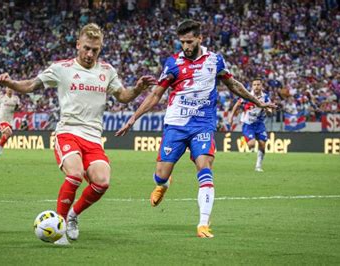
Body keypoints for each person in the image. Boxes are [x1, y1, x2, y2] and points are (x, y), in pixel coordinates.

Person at [0, 23, 156, 245]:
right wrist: (10, 82)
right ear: (78, 45)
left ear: (100, 49)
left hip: (93, 137)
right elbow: (31, 85)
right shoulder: (62, 68)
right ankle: (59, 227)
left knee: (102, 181)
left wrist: (137, 89)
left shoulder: (107, 71)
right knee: (75, 173)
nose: (90, 54)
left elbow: (123, 96)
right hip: (68, 133)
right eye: (87, 48)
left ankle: (72, 215)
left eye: (95, 50)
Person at [115, 20, 275, 238]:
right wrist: (133, 118)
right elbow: (155, 95)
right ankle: (164, 184)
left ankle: (203, 224)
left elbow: (233, 84)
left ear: (200, 38)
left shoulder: (215, 60)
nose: (186, 46)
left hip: (203, 125)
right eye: (182, 42)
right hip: (176, 125)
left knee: (205, 166)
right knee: (160, 175)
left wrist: (258, 101)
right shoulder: (172, 63)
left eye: (189, 41)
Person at [228, 78, 272, 172]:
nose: (256, 86)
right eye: (254, 85)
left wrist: (268, 110)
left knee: (263, 145)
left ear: (261, 86)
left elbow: (270, 112)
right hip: (248, 123)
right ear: (252, 86)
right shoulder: (247, 95)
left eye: (258, 84)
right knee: (251, 144)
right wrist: (231, 116)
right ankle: (248, 139)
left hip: (259, 124)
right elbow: (237, 105)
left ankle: (258, 166)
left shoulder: (265, 97)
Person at [0, 87, 20, 160]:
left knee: (6, 136)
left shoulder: (16, 98)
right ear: (6, 90)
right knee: (9, 133)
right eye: (8, 88)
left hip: (10, 120)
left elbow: (17, 107)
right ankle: (0, 149)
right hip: (2, 119)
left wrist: (16, 109)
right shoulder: (1, 97)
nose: (10, 90)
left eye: (11, 88)